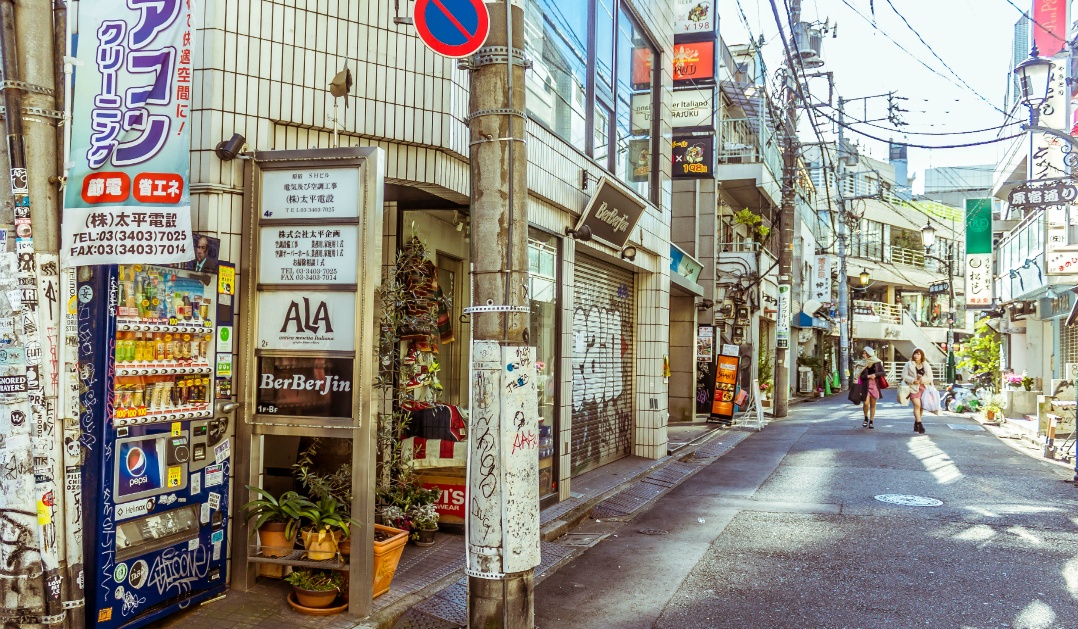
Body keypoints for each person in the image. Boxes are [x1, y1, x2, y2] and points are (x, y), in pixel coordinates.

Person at [852, 347, 885, 428]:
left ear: (869, 354)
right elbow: (859, 376)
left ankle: (871, 421)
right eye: (863, 353)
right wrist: (868, 376)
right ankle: (866, 418)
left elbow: (883, 372)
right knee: (866, 403)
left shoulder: (877, 362)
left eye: (865, 353)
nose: (863, 355)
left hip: (874, 385)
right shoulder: (862, 363)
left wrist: (875, 375)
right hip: (865, 386)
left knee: (873, 404)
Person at [903, 347, 933, 434]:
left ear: (922, 355)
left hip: (923, 388)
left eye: (918, 354)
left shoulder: (926, 365)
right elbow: (904, 376)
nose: (916, 355)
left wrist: (922, 380)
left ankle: (916, 422)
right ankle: (920, 425)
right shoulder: (908, 364)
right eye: (915, 354)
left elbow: (930, 378)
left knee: (921, 406)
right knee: (917, 405)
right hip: (912, 387)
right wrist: (913, 380)